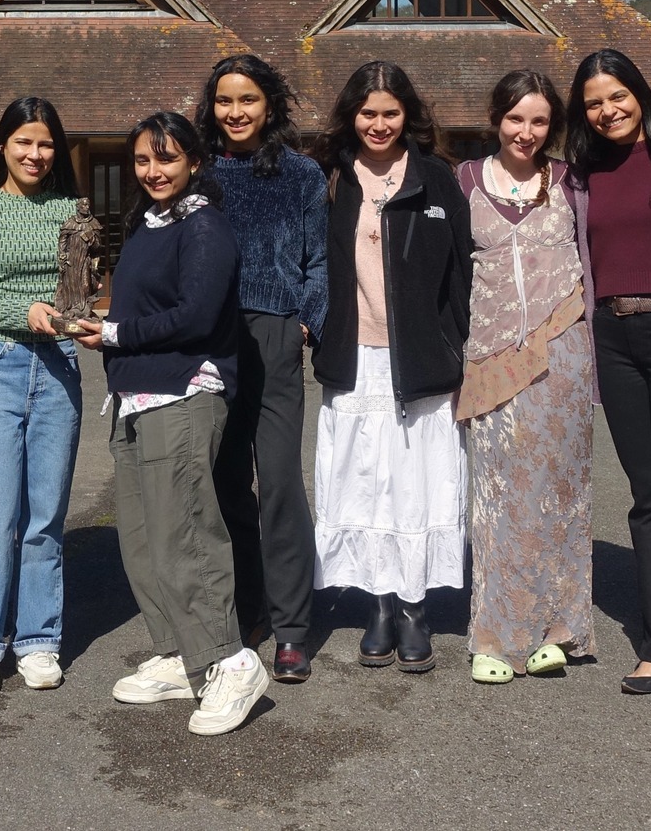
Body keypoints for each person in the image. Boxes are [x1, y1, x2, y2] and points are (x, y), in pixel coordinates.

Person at [77, 112, 269, 736]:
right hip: (136, 393)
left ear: (193, 161)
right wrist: (104, 327)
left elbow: (194, 316)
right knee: (142, 534)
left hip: (186, 389)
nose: (153, 171)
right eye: (141, 161)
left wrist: (112, 332)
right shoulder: (147, 224)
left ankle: (230, 661)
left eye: (166, 158)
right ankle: (180, 656)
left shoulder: (205, 225)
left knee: (185, 530)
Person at [310, 61, 472, 675]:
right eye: (368, 113)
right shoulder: (331, 180)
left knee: (417, 482)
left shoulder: (435, 180)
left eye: (391, 113)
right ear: (352, 116)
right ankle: (377, 602)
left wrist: (457, 345)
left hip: (423, 362)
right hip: (355, 359)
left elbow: (462, 273)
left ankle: (414, 607)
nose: (379, 124)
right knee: (364, 480)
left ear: (409, 116)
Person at [566, 47, 651, 703]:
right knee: (645, 496)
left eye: (616, 95)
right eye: (593, 101)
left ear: (638, 92)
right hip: (615, 335)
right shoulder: (584, 172)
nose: (607, 109)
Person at [456, 70, 596, 686]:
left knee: (559, 491)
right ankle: (493, 633)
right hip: (488, 355)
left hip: (564, 347)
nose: (527, 132)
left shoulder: (571, 181)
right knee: (495, 494)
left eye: (539, 121)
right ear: (496, 119)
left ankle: (556, 628)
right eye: (516, 119)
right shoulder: (462, 180)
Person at [0, 96, 85, 698]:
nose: (35, 154)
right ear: (1, 145)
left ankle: (39, 638)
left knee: (46, 518)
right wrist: (24, 314)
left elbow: (82, 285)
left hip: (60, 367)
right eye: (24, 142)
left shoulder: (73, 209)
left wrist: (85, 318)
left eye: (46, 143)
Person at [194, 53, 327, 683]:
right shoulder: (197, 172)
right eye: (225, 100)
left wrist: (306, 321)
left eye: (248, 100)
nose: (235, 112)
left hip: (274, 333)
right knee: (223, 484)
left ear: (268, 104)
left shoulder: (301, 174)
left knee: (277, 482)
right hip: (210, 337)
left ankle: (292, 628)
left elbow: (318, 259)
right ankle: (246, 609)